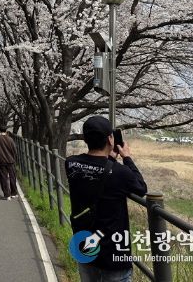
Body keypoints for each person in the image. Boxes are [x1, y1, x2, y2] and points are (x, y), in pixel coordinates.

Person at [65, 116, 147, 282]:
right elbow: (141, 188)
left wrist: (109, 159)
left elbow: (94, 170)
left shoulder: (71, 163)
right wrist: (127, 157)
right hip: (113, 254)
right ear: (110, 139)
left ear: (85, 139)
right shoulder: (120, 172)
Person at [0, 126, 18, 199]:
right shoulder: (10, 139)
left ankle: (7, 194)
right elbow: (14, 150)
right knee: (12, 177)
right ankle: (13, 193)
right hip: (10, 160)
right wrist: (14, 157)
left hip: (1, 160)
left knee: (4, 177)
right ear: (6, 131)